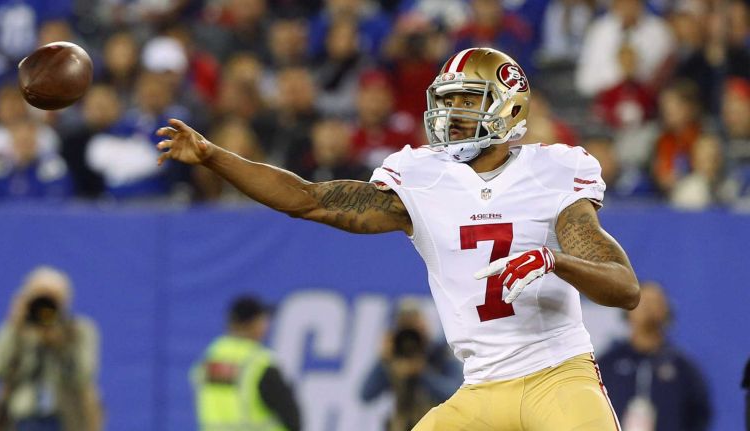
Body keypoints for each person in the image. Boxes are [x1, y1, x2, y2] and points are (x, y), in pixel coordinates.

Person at [158, 47, 640, 430]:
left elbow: (624, 288)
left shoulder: (553, 171)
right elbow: (308, 199)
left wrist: (553, 261)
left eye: (467, 100)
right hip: (482, 386)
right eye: (447, 101)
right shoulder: (422, 175)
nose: (452, 113)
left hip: (556, 375)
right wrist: (214, 156)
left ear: (507, 105)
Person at [0, 266, 102, 431]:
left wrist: (60, 344)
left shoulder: (79, 331)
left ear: (64, 300)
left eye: (51, 298)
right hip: (21, 419)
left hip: (66, 420)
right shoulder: (19, 331)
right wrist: (13, 326)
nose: (44, 306)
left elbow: (84, 375)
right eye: (39, 296)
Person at [597, 282, 712, 431]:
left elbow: (699, 415)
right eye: (642, 301)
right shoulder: (607, 365)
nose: (648, 308)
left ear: (667, 311)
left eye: (655, 302)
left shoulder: (683, 370)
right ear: (627, 311)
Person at [190, 295, 300, 431]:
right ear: (254, 323)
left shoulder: (209, 359)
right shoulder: (259, 364)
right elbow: (291, 417)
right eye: (263, 320)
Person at [361, 299, 463, 431]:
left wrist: (422, 373)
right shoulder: (395, 359)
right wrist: (383, 359)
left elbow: (455, 395)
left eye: (414, 323)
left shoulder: (439, 354)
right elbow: (366, 395)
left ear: (425, 325)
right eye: (405, 325)